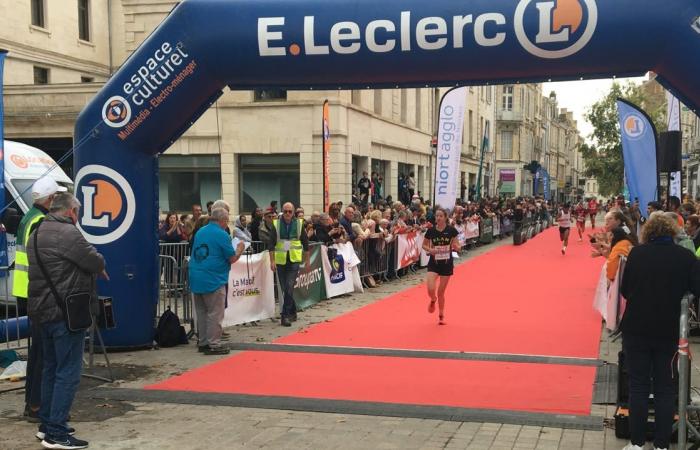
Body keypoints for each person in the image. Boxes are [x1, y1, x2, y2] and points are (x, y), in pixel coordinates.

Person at [27, 192, 107, 449]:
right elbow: (95, 260)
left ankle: (47, 424)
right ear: (72, 211)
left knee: (51, 369)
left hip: (42, 310)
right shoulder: (69, 233)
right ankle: (57, 433)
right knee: (68, 373)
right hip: (66, 312)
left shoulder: (37, 232)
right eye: (78, 212)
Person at [620, 214, 700, 450]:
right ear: (673, 231)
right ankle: (662, 444)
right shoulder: (686, 257)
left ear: (649, 232)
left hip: (636, 328)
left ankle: (636, 443)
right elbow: (697, 289)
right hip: (670, 330)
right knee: (666, 388)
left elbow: (625, 289)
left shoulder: (637, 254)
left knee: (638, 386)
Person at [13, 177, 66, 422]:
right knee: (43, 353)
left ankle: (33, 403)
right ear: (50, 199)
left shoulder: (28, 216)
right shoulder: (39, 221)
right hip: (37, 292)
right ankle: (35, 404)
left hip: (28, 291)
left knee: (38, 351)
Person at [189, 208, 243, 355]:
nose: (227, 225)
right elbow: (231, 258)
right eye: (227, 221)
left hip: (196, 275)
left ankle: (204, 342)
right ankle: (214, 343)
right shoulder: (222, 234)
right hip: (213, 278)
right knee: (215, 313)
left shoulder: (200, 231)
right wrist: (240, 249)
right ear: (223, 220)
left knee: (201, 312)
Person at [268, 202, 310, 327]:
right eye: (285, 211)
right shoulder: (276, 224)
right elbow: (271, 244)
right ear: (282, 211)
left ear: (293, 213)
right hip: (281, 261)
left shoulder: (299, 224)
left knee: (289, 286)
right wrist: (272, 261)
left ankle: (285, 315)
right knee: (285, 288)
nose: (287, 214)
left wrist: (307, 261)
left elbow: (305, 243)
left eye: (289, 212)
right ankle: (293, 310)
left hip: (294, 260)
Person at [422, 208, 460, 325]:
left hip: (447, 264)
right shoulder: (431, 231)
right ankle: (433, 300)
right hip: (434, 263)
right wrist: (431, 250)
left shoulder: (451, 230)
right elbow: (424, 245)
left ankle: (441, 315)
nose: (438, 218)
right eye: (436, 216)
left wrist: (457, 247)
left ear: (445, 218)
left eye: (440, 216)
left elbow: (457, 244)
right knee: (430, 288)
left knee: (440, 292)